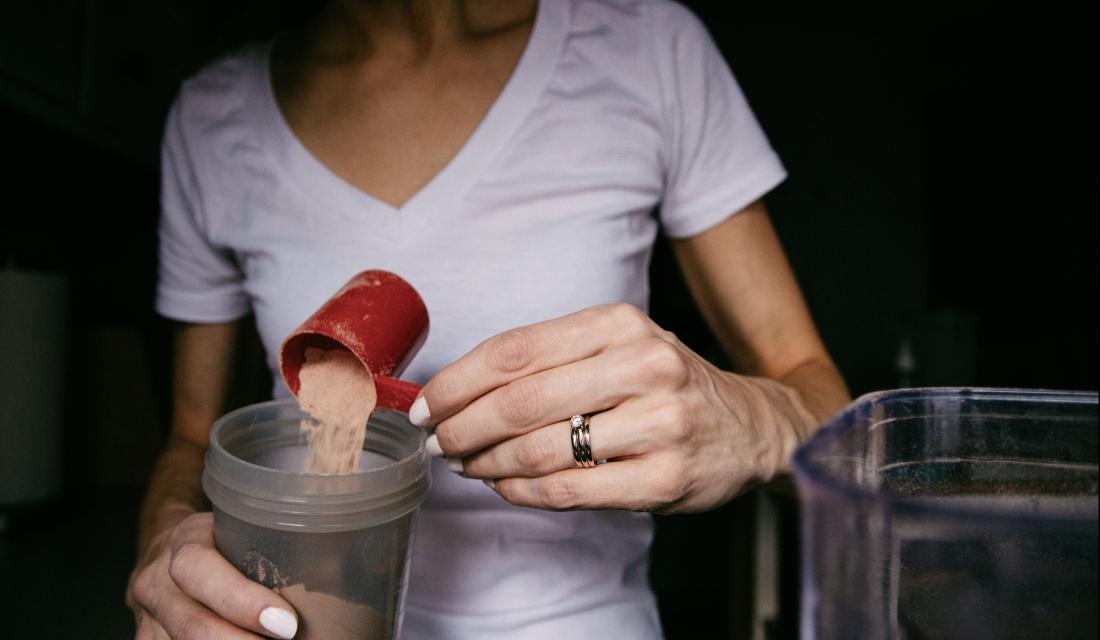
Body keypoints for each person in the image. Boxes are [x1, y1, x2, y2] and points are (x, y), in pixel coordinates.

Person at [126, 0, 850, 638]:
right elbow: (191, 438)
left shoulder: (647, 47)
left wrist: (755, 420)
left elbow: (821, 400)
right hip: (306, 618)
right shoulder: (211, 117)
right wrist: (165, 540)